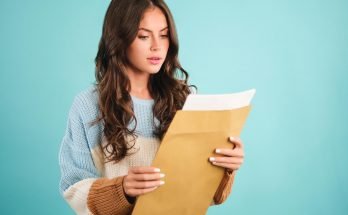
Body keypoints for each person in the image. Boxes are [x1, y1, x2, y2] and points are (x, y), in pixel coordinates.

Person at [58, 0, 245, 214]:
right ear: (119, 39)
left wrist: (225, 168)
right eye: (143, 36)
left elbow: (208, 196)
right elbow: (73, 188)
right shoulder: (89, 105)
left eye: (164, 35)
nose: (157, 46)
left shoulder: (186, 100)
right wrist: (122, 189)